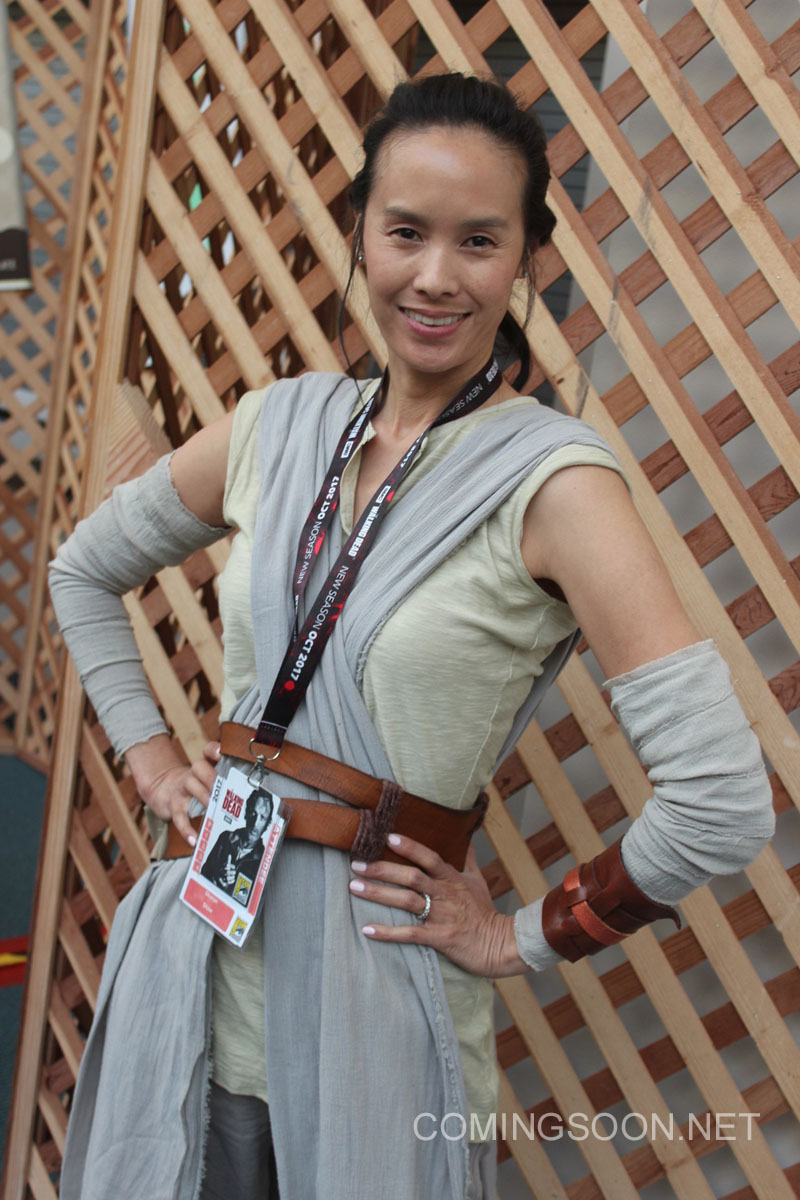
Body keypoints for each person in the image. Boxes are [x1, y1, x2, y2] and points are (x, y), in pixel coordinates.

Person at [48, 73, 774, 1200]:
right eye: (405, 232)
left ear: (526, 256)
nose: (435, 275)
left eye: (478, 240)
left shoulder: (556, 485)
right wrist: (148, 756)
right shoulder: (277, 425)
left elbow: (720, 799)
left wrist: (525, 936)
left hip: (373, 1007)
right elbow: (83, 570)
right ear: (360, 234)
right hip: (194, 978)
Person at [200, 789, 274, 903]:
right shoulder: (225, 838)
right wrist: (217, 875)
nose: (255, 823)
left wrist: (228, 887)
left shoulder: (263, 862)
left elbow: (247, 904)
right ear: (246, 814)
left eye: (262, 818)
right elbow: (203, 873)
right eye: (253, 813)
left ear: (268, 824)